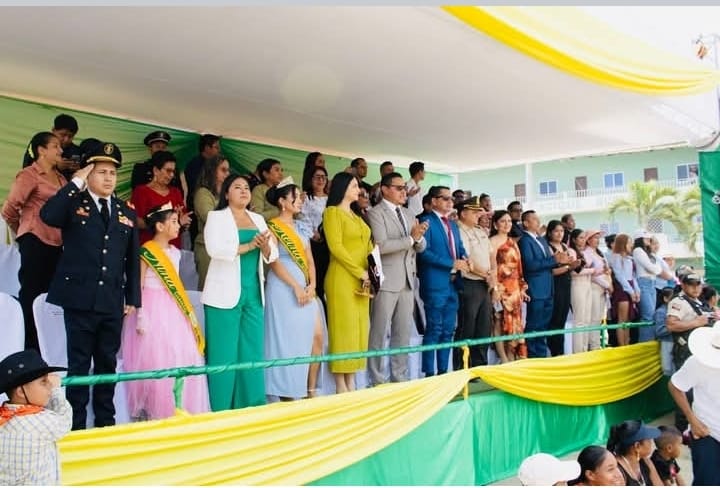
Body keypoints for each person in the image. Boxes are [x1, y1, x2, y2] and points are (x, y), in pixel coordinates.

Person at [40, 142, 141, 430]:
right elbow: (48, 215)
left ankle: (106, 424)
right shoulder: (74, 202)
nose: (109, 178)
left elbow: (132, 258)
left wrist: (132, 297)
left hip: (111, 300)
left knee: (107, 364)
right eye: (101, 172)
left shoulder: (125, 211)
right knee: (80, 365)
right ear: (88, 174)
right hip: (79, 299)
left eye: (113, 173)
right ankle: (76, 427)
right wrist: (76, 182)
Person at [120, 204, 210, 420]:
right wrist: (140, 315)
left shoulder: (176, 253)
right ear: (159, 226)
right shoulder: (147, 251)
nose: (178, 225)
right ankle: (153, 409)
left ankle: (178, 405)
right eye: (173, 221)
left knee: (179, 354)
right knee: (155, 357)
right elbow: (139, 284)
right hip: (151, 307)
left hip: (173, 308)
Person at [202, 174, 277, 410]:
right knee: (223, 353)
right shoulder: (216, 217)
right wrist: (248, 246)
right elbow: (215, 249)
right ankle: (221, 408)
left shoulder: (258, 218)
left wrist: (265, 248)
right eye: (237, 187)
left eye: (246, 187)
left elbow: (272, 254)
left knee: (252, 351)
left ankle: (251, 406)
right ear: (226, 193)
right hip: (223, 294)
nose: (244, 191)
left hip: (253, 292)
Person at [2, 132, 67, 350]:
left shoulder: (62, 179)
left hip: (58, 243)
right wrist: (23, 233)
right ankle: (28, 346)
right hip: (35, 239)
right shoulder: (28, 174)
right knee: (31, 292)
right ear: (41, 150)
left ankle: (46, 346)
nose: (60, 150)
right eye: (55, 146)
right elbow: (9, 209)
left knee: (50, 296)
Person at [264, 181, 325, 399]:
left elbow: (309, 260)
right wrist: (295, 287)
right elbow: (274, 261)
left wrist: (312, 284)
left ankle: (310, 389)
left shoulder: (301, 226)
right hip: (283, 287)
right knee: (287, 340)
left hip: (306, 286)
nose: (300, 200)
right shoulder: (272, 227)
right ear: (282, 201)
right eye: (296, 197)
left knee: (317, 336)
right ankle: (286, 391)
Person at [367, 172, 427, 385]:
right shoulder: (375, 213)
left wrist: (418, 239)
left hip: (408, 280)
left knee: (402, 333)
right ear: (384, 189)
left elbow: (420, 246)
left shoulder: (409, 213)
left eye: (405, 188)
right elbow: (381, 246)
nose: (404, 192)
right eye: (399, 188)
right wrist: (411, 238)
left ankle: (399, 377)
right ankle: (376, 379)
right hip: (386, 280)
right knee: (378, 332)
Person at [323, 172, 374, 393]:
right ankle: (340, 384)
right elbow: (336, 247)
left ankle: (351, 379)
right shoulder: (332, 212)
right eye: (353, 185)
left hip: (362, 279)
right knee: (343, 329)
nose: (358, 190)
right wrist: (359, 272)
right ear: (342, 188)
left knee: (359, 329)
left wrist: (373, 271)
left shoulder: (357, 216)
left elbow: (368, 246)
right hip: (342, 278)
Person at [417, 186, 469, 375]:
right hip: (435, 283)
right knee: (434, 329)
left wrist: (465, 258)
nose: (450, 202)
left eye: (451, 199)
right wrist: (451, 263)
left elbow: (459, 247)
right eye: (445, 198)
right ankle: (429, 374)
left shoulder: (452, 224)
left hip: (453, 283)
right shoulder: (426, 221)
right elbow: (423, 253)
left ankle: (443, 372)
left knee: (448, 330)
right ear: (434, 201)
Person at [0, 350, 72, 485]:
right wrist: (56, 391)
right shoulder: (41, 422)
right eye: (44, 382)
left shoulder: (3, 418)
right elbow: (65, 419)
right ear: (21, 392)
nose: (50, 385)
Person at [668, 323, 720, 486]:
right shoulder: (697, 362)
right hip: (707, 432)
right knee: (707, 482)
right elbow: (675, 386)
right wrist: (692, 420)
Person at [519, 210, 570, 358]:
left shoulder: (541, 240)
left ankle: (541, 355)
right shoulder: (524, 241)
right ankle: (533, 356)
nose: (538, 221)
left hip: (548, 288)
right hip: (536, 289)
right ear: (526, 223)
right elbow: (530, 265)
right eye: (534, 219)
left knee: (544, 325)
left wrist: (560, 261)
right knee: (534, 324)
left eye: (538, 218)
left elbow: (549, 262)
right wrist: (555, 260)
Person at [454, 197, 494, 367]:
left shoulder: (480, 231)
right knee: (467, 327)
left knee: (484, 328)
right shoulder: (459, 231)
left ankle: (480, 367)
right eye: (474, 212)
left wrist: (493, 275)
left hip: (485, 283)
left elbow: (491, 255)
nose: (479, 215)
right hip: (470, 283)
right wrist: (486, 275)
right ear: (463, 214)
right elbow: (466, 260)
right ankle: (462, 368)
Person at [130, 150, 191, 248]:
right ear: (156, 170)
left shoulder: (175, 192)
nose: (172, 175)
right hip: (150, 250)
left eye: (173, 171)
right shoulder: (141, 192)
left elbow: (183, 218)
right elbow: (135, 220)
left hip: (173, 249)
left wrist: (184, 221)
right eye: (168, 171)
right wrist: (159, 220)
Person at [490, 210, 528, 362]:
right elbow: (492, 268)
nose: (507, 224)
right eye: (503, 221)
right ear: (495, 224)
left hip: (515, 290)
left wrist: (522, 287)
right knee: (500, 323)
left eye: (509, 221)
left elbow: (519, 268)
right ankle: (504, 358)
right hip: (500, 288)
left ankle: (513, 356)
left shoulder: (513, 242)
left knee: (515, 323)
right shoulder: (492, 242)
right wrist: (495, 289)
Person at [193, 155, 231, 289]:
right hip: (206, 248)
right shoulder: (203, 193)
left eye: (228, 170)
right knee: (208, 290)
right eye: (223, 170)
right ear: (212, 170)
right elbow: (209, 218)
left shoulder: (227, 195)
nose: (227, 174)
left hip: (225, 248)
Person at [545, 220, 579, 357]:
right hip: (555, 285)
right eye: (556, 231)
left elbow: (569, 267)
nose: (560, 234)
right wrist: (568, 267)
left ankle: (561, 351)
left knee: (562, 319)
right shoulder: (548, 247)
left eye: (562, 231)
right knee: (555, 319)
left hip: (566, 284)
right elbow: (551, 271)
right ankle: (554, 352)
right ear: (550, 233)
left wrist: (574, 266)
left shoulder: (565, 246)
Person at [298, 165, 329, 309]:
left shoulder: (331, 198)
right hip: (313, 243)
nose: (321, 180)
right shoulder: (305, 198)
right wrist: (313, 233)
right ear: (310, 179)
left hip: (329, 242)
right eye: (317, 177)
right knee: (316, 277)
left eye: (324, 177)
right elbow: (301, 217)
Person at [22, 114, 81, 180]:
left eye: (70, 136)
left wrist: (78, 169)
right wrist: (56, 167)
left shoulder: (75, 150)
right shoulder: (40, 142)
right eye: (63, 135)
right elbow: (27, 165)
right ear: (53, 130)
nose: (66, 139)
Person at [606, 419, 663, 486]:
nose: (651, 442)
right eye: (648, 439)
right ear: (637, 446)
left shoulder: (646, 462)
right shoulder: (617, 471)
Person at [608, 233, 640, 346]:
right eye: (629, 242)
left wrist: (637, 290)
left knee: (628, 320)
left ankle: (627, 342)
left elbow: (633, 276)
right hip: (622, 289)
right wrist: (630, 291)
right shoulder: (616, 257)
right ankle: (622, 345)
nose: (631, 245)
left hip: (630, 286)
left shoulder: (629, 259)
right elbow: (620, 276)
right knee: (622, 319)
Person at [569, 229, 597, 353]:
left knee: (587, 319)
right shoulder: (571, 251)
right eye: (580, 238)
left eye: (584, 238)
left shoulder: (583, 252)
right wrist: (592, 270)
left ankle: (585, 349)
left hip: (587, 284)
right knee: (579, 320)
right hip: (577, 285)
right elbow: (575, 272)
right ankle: (578, 351)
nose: (583, 240)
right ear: (574, 239)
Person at [633, 230, 662, 342]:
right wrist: (653, 269)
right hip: (644, 282)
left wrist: (654, 268)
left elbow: (657, 269)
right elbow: (653, 269)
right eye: (646, 238)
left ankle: (649, 340)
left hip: (651, 282)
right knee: (648, 315)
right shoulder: (638, 250)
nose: (649, 240)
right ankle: (645, 342)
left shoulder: (649, 253)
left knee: (651, 315)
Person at [654, 287, 676, 376]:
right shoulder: (661, 312)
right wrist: (675, 327)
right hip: (667, 343)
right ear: (665, 299)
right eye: (673, 298)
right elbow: (659, 331)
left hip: (676, 343)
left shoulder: (676, 311)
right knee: (667, 369)